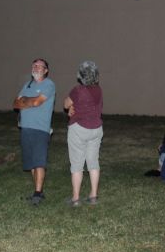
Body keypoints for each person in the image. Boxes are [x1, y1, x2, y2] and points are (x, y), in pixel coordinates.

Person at [13, 58, 56, 205]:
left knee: (39, 162)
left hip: (40, 128)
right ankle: (38, 191)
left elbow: (38, 102)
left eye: (40, 66)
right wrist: (28, 100)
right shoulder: (27, 84)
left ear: (46, 70)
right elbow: (15, 103)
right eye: (34, 66)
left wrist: (25, 100)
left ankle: (37, 194)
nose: (36, 68)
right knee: (31, 162)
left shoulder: (49, 84)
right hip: (26, 128)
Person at [63, 61, 103, 206]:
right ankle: (93, 196)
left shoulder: (77, 90)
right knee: (93, 162)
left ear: (80, 76)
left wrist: (71, 106)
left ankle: (75, 199)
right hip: (96, 129)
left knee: (77, 164)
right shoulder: (99, 90)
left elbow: (66, 104)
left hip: (79, 129)